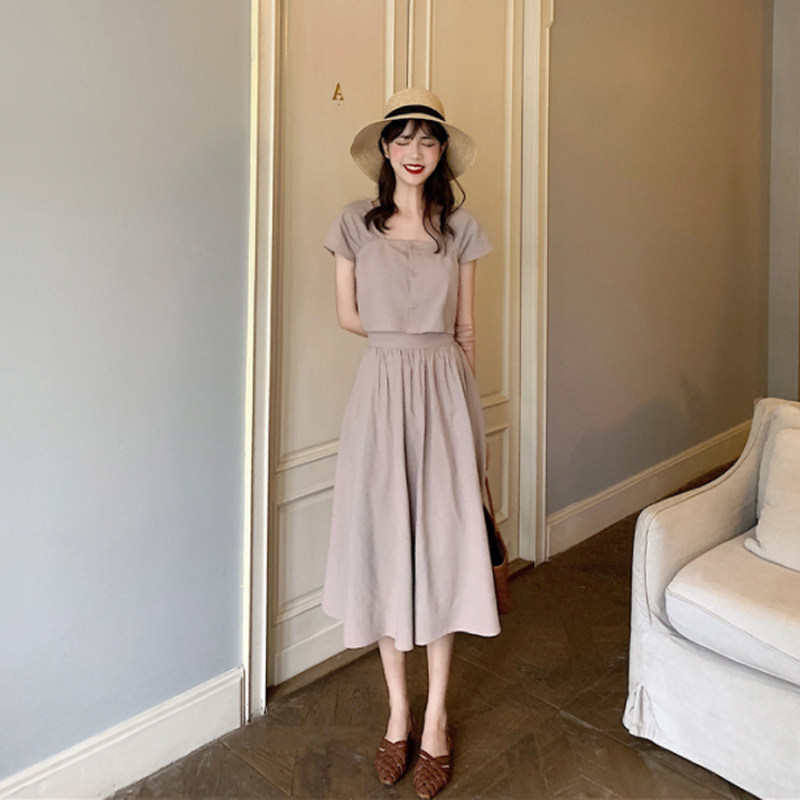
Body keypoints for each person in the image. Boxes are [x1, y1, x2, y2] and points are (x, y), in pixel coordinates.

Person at [321, 87, 500, 799]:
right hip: (380, 393)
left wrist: (468, 420)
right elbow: (347, 314)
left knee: (446, 548)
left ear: (442, 150)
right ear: (385, 149)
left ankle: (437, 719)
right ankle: (398, 711)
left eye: (428, 139)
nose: (415, 151)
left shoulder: (462, 231)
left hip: (445, 394)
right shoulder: (353, 224)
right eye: (403, 138)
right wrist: (401, 337)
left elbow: (466, 330)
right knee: (385, 545)